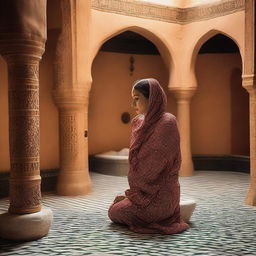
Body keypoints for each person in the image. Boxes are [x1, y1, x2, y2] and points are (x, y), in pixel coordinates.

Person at [108, 78, 189, 234]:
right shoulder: (139, 122)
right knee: (115, 210)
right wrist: (133, 195)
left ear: (151, 99)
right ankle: (131, 203)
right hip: (142, 194)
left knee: (114, 212)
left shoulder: (167, 122)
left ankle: (154, 212)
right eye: (132, 99)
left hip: (161, 197)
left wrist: (131, 196)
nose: (133, 105)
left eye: (137, 99)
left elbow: (153, 167)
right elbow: (137, 160)